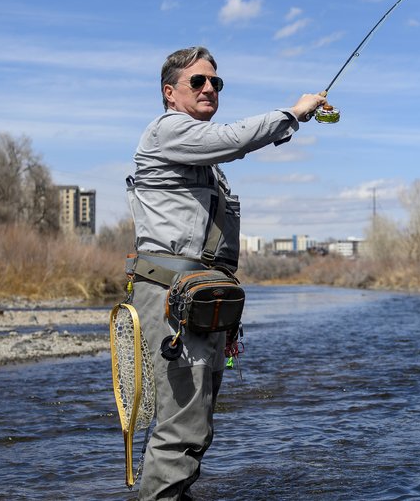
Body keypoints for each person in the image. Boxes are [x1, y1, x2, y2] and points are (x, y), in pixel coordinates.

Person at [125, 46, 326, 500]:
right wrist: (292, 114)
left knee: (195, 419)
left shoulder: (200, 154)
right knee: (182, 425)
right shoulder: (167, 131)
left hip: (200, 299)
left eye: (216, 82)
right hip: (171, 297)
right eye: (198, 82)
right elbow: (234, 138)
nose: (210, 88)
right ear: (169, 92)